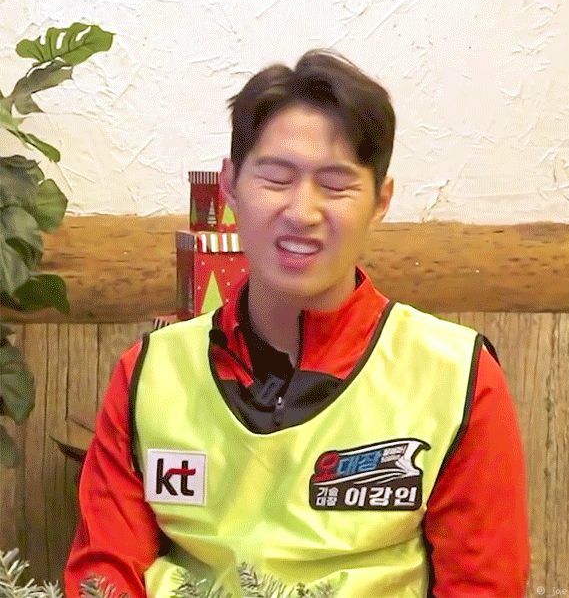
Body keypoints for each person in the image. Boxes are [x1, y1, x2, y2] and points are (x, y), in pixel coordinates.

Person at [65, 50, 529, 598]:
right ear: (230, 185)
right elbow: (104, 574)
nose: (302, 212)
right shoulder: (149, 374)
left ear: (381, 200)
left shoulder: (459, 378)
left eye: (335, 185)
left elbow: (482, 584)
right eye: (277, 178)